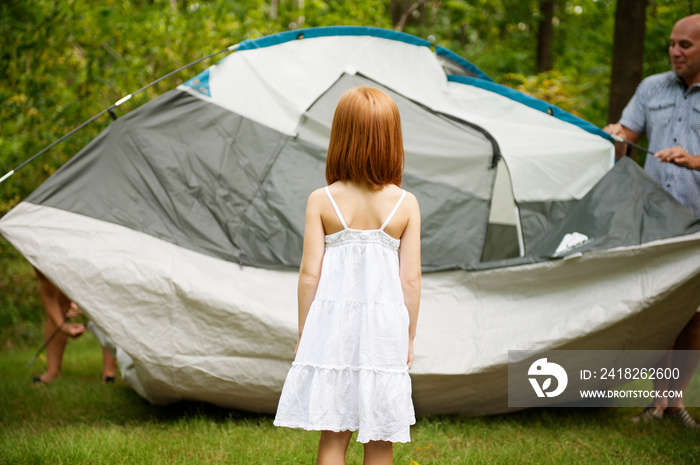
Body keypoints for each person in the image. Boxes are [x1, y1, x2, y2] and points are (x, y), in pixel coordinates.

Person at [273, 86, 421, 464]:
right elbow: (410, 281)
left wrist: (306, 331)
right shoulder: (405, 205)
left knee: (334, 436)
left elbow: (309, 275)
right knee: (380, 440)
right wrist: (409, 336)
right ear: (392, 140)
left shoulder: (321, 200)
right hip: (384, 330)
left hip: (332, 329)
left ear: (341, 137)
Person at [604, 14, 700, 429]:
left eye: (686, 45)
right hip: (657, 220)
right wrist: (615, 140)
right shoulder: (651, 88)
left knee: (695, 315)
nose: (675, 52)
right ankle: (657, 403)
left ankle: (674, 400)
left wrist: (694, 160)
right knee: (661, 308)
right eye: (672, 44)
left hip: (698, 223)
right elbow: (625, 143)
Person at [32, 267, 117, 384]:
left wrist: (83, 304)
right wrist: (61, 326)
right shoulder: (40, 258)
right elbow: (49, 297)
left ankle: (109, 373)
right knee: (61, 301)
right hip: (65, 268)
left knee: (104, 304)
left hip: (97, 268)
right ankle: (53, 371)